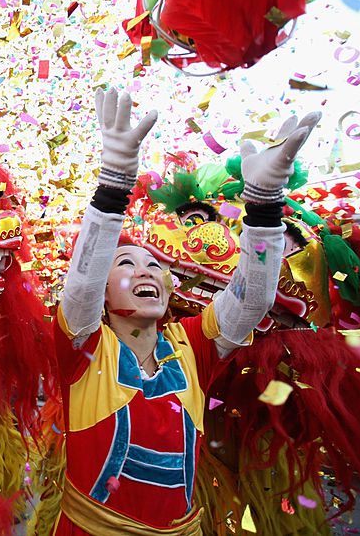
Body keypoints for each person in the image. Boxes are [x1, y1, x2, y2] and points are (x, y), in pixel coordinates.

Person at [52, 88, 320, 534]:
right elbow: (80, 285)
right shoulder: (83, 346)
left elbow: (253, 298)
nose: (147, 272)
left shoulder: (192, 346)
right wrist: (115, 182)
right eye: (126, 264)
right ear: (102, 290)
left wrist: (264, 205)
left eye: (155, 265)